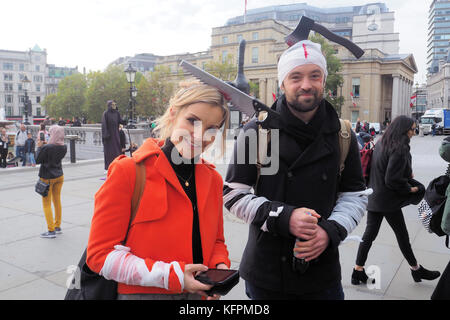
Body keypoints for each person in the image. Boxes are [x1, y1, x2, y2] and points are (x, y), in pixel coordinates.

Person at [223, 40, 370, 300]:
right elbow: (233, 194)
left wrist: (330, 231)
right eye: (295, 77)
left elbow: (355, 195)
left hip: (322, 274)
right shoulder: (253, 132)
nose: (306, 84)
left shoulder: (343, 133)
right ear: (282, 83)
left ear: (324, 80)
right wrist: (283, 217)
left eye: (315, 75)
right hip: (267, 275)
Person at [86, 82, 232, 300]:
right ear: (173, 114)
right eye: (193, 121)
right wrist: (173, 276)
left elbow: (217, 241)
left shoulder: (213, 180)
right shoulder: (129, 171)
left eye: (212, 128)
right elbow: (99, 256)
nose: (201, 135)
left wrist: (218, 268)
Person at [352, 115, 441, 284]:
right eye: (412, 129)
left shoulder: (381, 142)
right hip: (387, 201)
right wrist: (412, 188)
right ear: (404, 130)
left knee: (369, 236)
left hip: (374, 196)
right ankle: (416, 270)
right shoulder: (400, 148)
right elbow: (392, 179)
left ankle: (357, 271)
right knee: (402, 236)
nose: (414, 133)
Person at [36, 125, 67, 239]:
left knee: (46, 203)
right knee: (57, 200)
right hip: (59, 175)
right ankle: (57, 225)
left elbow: (37, 160)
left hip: (47, 177)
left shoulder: (47, 147)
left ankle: (51, 230)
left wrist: (39, 147)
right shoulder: (64, 147)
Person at [101, 100, 127, 171]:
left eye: (115, 104)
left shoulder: (117, 113)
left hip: (116, 135)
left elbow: (120, 121)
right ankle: (109, 167)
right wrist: (106, 135)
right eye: (113, 105)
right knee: (109, 153)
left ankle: (117, 166)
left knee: (117, 151)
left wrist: (125, 120)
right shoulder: (105, 114)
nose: (114, 106)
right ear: (109, 106)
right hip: (109, 138)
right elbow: (104, 125)